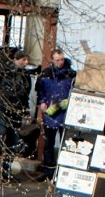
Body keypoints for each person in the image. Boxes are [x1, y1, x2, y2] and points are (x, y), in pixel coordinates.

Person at [0, 49, 35, 184]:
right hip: (2, 109)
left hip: (16, 112)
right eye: (24, 60)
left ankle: (6, 172)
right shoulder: (4, 72)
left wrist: (25, 111)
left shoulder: (25, 76)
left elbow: (25, 95)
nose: (26, 62)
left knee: (13, 142)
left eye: (27, 60)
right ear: (17, 59)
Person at [33, 48, 76, 181]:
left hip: (66, 113)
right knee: (48, 144)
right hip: (51, 113)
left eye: (62, 59)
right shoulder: (45, 75)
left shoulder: (71, 74)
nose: (60, 62)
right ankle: (48, 170)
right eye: (57, 60)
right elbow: (40, 92)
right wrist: (42, 103)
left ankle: (63, 172)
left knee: (66, 144)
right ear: (52, 60)